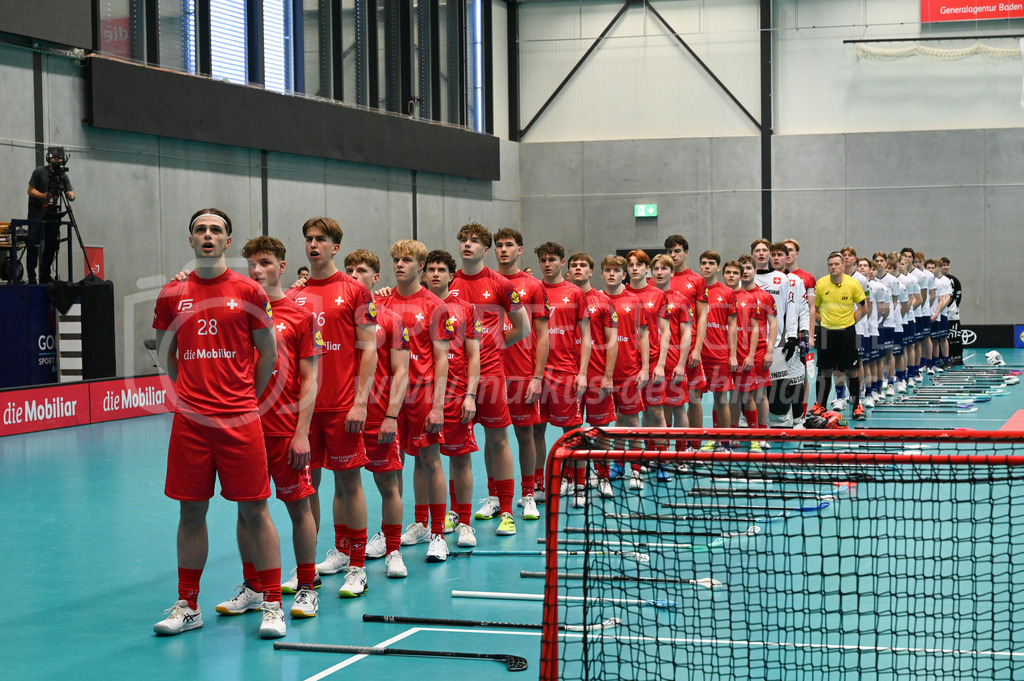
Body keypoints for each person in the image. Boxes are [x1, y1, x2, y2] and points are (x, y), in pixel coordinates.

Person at [152, 208, 283, 638]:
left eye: (217, 230)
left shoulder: (248, 290)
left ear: (228, 241)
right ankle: (188, 605)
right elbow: (168, 354)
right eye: (200, 230)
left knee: (255, 510)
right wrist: (189, 392)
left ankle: (273, 604)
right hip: (191, 422)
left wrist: (245, 396)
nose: (208, 235)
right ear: (191, 240)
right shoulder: (173, 293)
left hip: (239, 418)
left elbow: (268, 355)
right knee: (191, 511)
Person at [209, 236, 323, 623]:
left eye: (265, 263)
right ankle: (254, 587)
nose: (257, 270)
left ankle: (307, 586)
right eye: (252, 264)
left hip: (285, 428)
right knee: (247, 511)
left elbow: (310, 380)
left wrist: (302, 432)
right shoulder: (237, 310)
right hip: (244, 428)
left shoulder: (300, 315)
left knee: (297, 506)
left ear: (281, 266)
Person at [289, 217, 377, 599]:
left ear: (335, 247)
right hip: (304, 412)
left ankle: (357, 565)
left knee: (348, 483)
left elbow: (369, 349)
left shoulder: (356, 291)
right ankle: (308, 568)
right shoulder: (294, 296)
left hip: (343, 407)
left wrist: (360, 403)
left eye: (320, 239)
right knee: (306, 488)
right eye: (308, 239)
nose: (313, 245)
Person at [449, 223, 530, 536]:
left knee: (497, 439)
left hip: (492, 374)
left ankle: (507, 511)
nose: (467, 245)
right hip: (456, 377)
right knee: (458, 446)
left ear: (486, 249)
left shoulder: (499, 284)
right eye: (463, 239)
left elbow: (521, 326)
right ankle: (458, 513)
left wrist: (495, 343)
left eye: (475, 241)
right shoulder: (449, 282)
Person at [378, 240, 452, 563]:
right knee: (393, 464)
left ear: (420, 266)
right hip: (390, 396)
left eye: (407, 259)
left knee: (430, 460)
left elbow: (442, 359)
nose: (399, 264)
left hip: (422, 394)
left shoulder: (435, 305)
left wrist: (437, 405)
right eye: (396, 259)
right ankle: (391, 532)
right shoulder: (382, 302)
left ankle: (437, 533)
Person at [344, 249, 411, 580]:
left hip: (377, 413)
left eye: (362, 270)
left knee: (388, 485)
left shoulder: (390, 319)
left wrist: (391, 415)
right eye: (350, 270)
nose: (355, 275)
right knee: (344, 486)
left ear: (375, 278)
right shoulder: (336, 316)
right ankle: (344, 552)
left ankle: (393, 549)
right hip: (342, 415)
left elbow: (401, 372)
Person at [423, 250, 481, 549]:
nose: (435, 274)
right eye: (430, 269)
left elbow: (473, 355)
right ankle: (424, 524)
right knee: (425, 462)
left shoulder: (466, 309)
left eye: (441, 269)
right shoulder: (415, 304)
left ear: (451, 275)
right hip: (421, 395)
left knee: (460, 459)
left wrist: (471, 395)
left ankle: (465, 522)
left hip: (456, 393)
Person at [493, 229, 549, 521]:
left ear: (520, 249)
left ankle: (528, 493)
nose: (503, 250)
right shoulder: (487, 281)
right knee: (494, 437)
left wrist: (537, 376)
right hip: (489, 372)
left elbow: (542, 335)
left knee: (524, 434)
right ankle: (494, 497)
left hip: (522, 373)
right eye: (499, 245)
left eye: (509, 245)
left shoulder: (534, 286)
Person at [533, 242, 592, 497]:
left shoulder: (575, 293)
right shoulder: (533, 290)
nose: (547, 264)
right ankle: (536, 484)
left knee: (572, 431)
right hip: (536, 373)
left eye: (552, 259)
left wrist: (582, 372)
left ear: (562, 262)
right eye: (543, 260)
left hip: (565, 372)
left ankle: (579, 483)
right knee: (536, 430)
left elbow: (586, 337)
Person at [567, 252, 618, 501]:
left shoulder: (604, 301)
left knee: (601, 430)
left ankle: (603, 476)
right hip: (569, 374)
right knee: (574, 431)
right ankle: (577, 483)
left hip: (597, 375)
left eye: (583, 265)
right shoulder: (562, 299)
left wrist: (608, 375)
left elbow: (612, 341)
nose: (578, 268)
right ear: (568, 271)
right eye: (574, 265)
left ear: (591, 271)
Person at [600, 255, 649, 489]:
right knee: (607, 422)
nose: (612, 274)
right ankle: (614, 465)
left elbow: (644, 335)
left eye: (616, 270)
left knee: (631, 420)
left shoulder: (634, 301)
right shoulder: (595, 300)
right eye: (607, 270)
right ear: (601, 274)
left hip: (629, 371)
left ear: (624, 274)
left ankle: (636, 470)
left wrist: (646, 368)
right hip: (600, 375)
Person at [812, 252, 868, 421]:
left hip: (847, 333)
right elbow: (814, 309)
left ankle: (857, 404)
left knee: (851, 371)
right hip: (826, 333)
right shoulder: (821, 284)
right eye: (830, 264)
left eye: (837, 264)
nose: (833, 267)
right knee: (824, 370)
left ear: (843, 265)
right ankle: (820, 404)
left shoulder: (853, 284)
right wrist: (825, 323)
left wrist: (849, 322)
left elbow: (864, 308)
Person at [664, 235, 708, 430]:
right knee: (664, 398)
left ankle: (694, 446)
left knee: (694, 397)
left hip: (689, 348)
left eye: (677, 251)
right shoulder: (660, 278)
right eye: (669, 251)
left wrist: (697, 349)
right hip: (666, 351)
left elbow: (702, 316)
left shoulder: (697, 280)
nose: (673, 255)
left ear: (686, 252)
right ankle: (664, 447)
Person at [648, 254, 694, 436]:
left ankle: (682, 454)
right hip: (651, 363)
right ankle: (656, 454)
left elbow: (686, 333)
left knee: (678, 409)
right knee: (653, 411)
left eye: (664, 268)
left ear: (672, 272)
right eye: (656, 269)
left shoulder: (681, 300)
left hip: (673, 363)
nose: (659, 273)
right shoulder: (644, 296)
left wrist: (681, 365)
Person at [697, 251, 738, 449]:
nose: (707, 266)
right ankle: (691, 443)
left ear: (718, 268)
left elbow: (732, 327)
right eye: (703, 263)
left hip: (719, 355)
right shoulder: (693, 290)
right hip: (695, 356)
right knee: (694, 401)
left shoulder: (728, 293)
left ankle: (725, 442)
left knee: (721, 400)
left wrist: (732, 355)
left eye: (711, 263)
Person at [26, 148, 75, 284]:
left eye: (60, 159)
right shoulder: (39, 172)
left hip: (53, 210)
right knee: (33, 242)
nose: (58, 161)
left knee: (52, 243)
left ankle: (44, 274)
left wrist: (71, 195)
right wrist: (44, 196)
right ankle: (31, 276)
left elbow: (70, 191)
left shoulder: (63, 176)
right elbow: (30, 191)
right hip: (36, 209)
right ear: (50, 159)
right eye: (55, 158)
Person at [940, 257, 963, 365]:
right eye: (943, 265)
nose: (945, 267)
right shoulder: (936, 279)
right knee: (941, 337)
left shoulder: (954, 280)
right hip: (940, 313)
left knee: (955, 336)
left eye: (947, 265)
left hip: (953, 313)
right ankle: (942, 357)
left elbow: (958, 295)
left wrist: (953, 307)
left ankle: (957, 356)